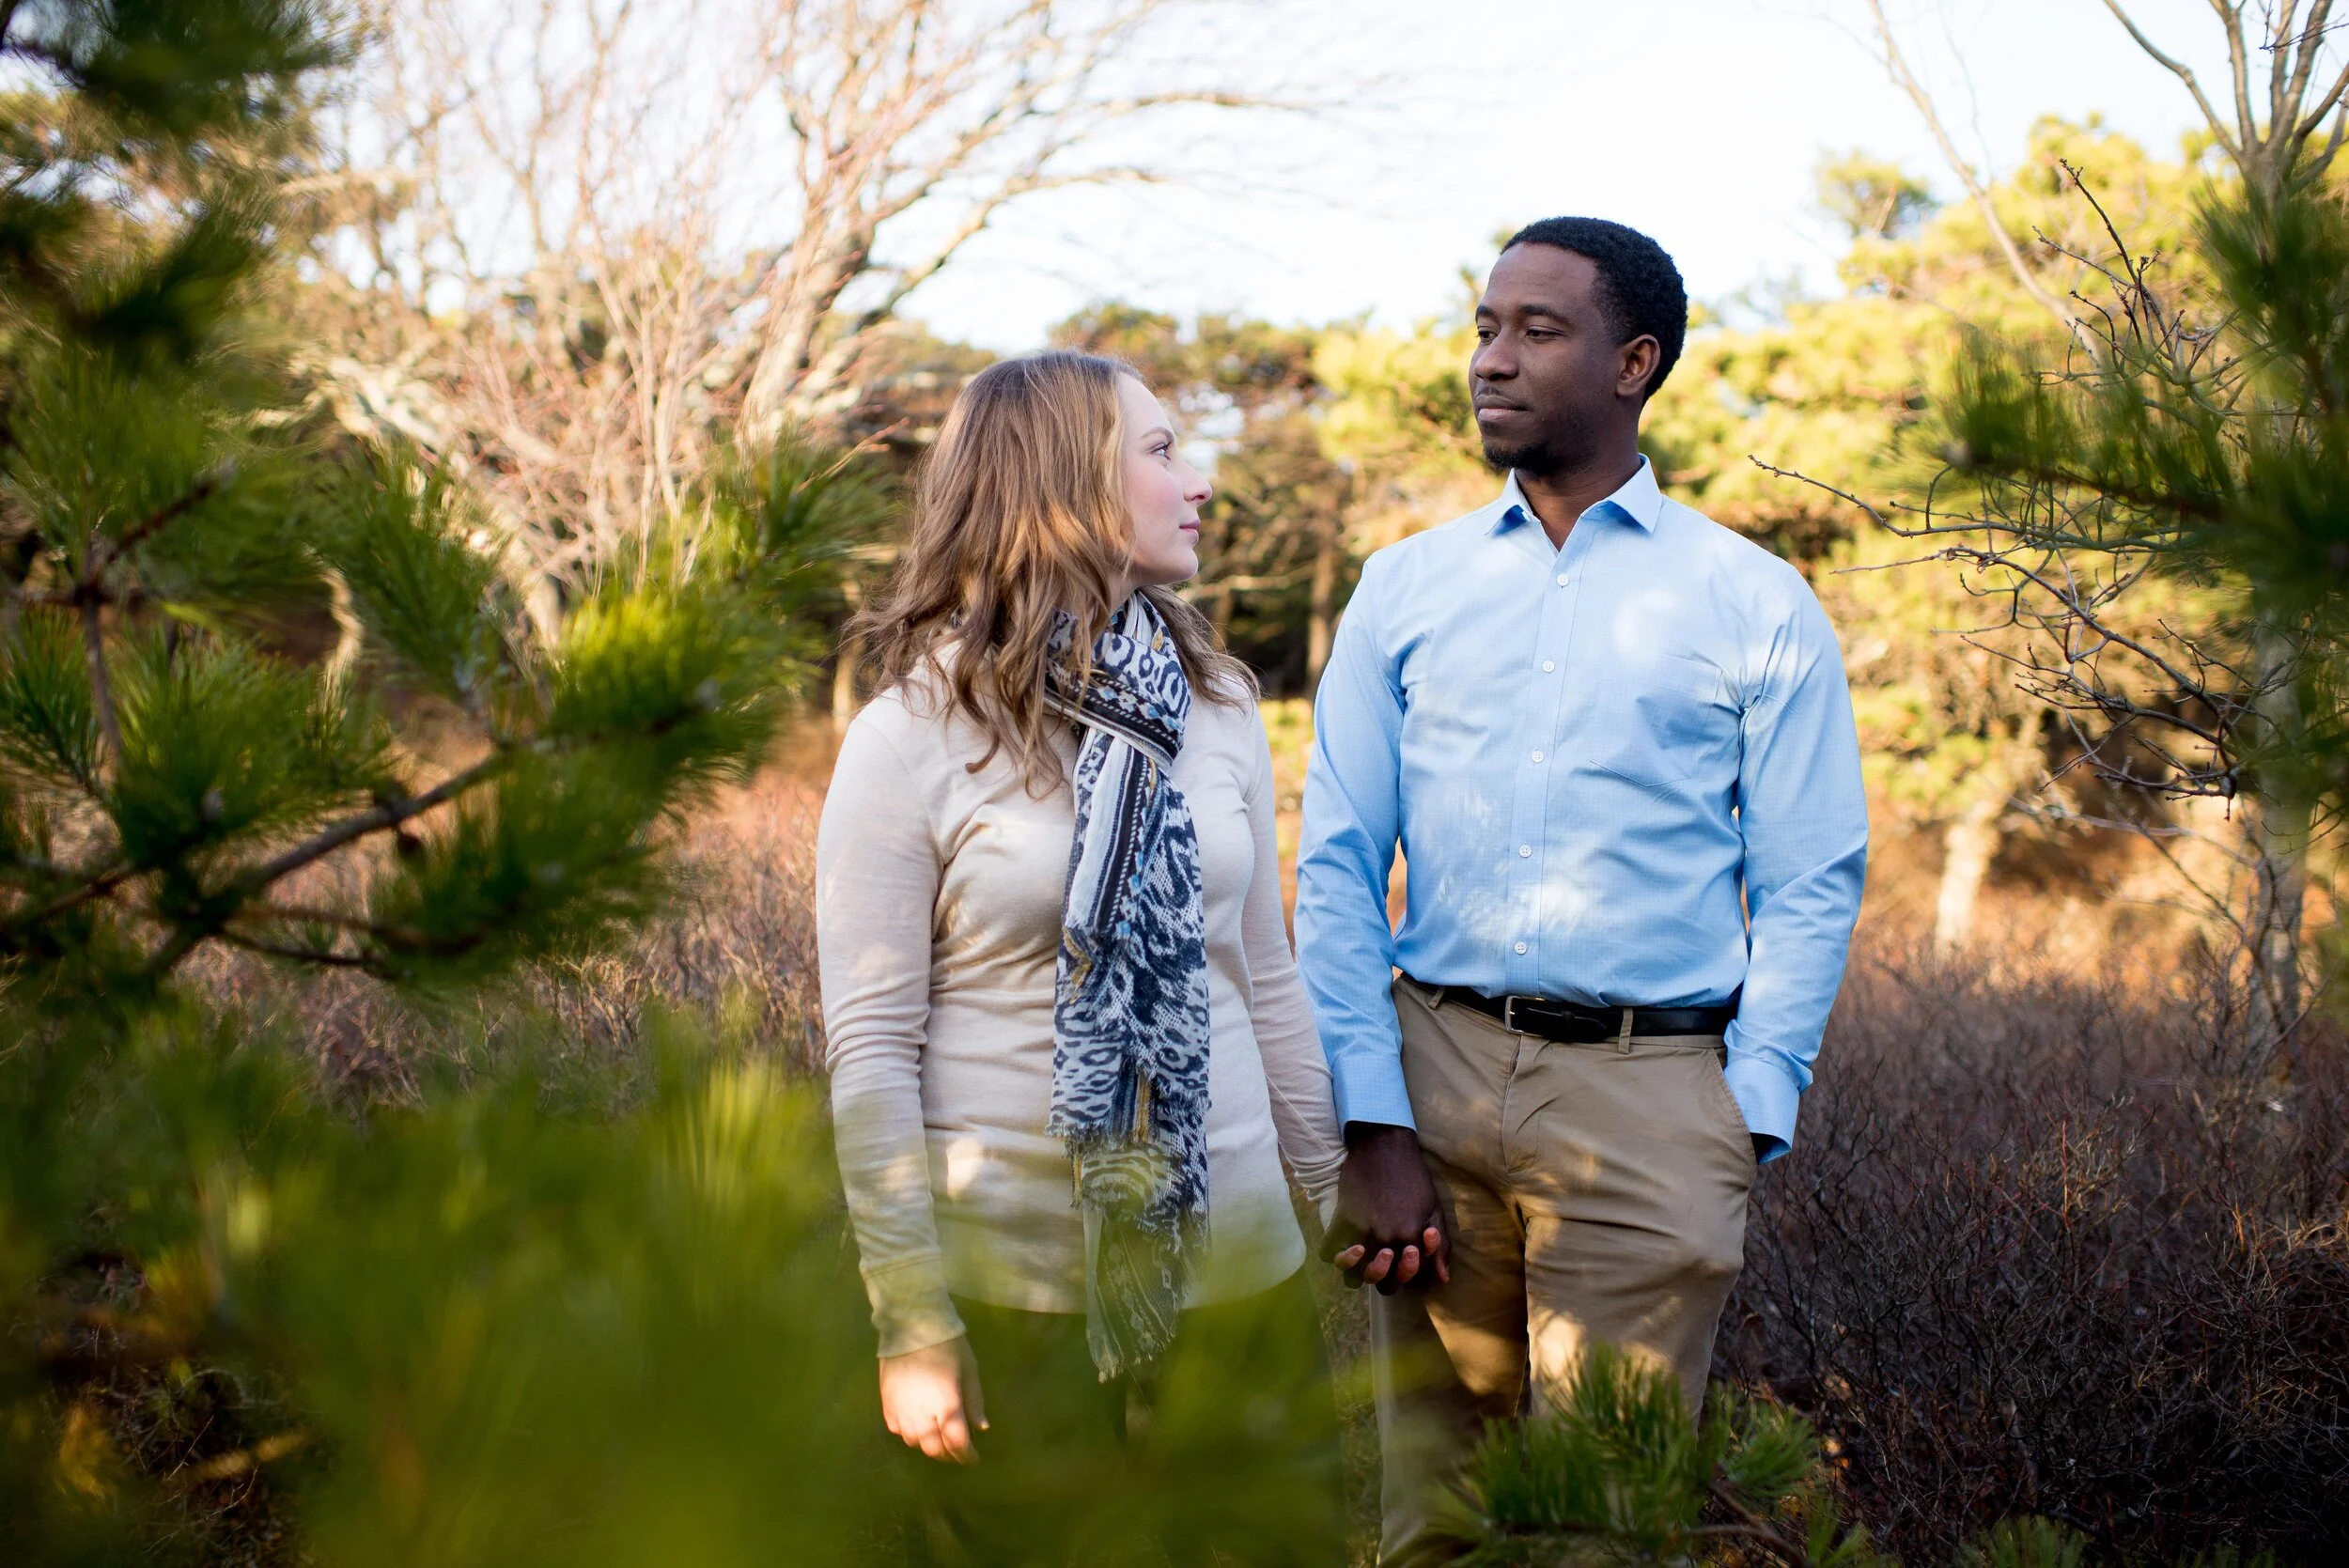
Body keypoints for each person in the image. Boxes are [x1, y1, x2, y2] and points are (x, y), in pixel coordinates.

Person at [1295, 217, 1869, 1561]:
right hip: (1428, 1085)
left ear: (1634, 362)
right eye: (1486, 327)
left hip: (1653, 1093)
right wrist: (1371, 1119)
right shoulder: (1404, 589)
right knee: (1427, 1519)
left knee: (1601, 1530)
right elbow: (1333, 863)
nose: (1493, 359)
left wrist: (1750, 1108)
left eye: (1538, 331)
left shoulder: (1755, 601)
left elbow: (1811, 873)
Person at [817, 350, 1348, 1564]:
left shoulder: (1213, 706)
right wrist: (910, 1319)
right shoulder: (910, 734)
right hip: (1018, 1296)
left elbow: (1264, 976)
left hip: (1243, 1277)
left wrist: (1333, 1193)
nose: (1200, 480)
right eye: (1162, 451)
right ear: (1061, 487)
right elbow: (871, 1052)